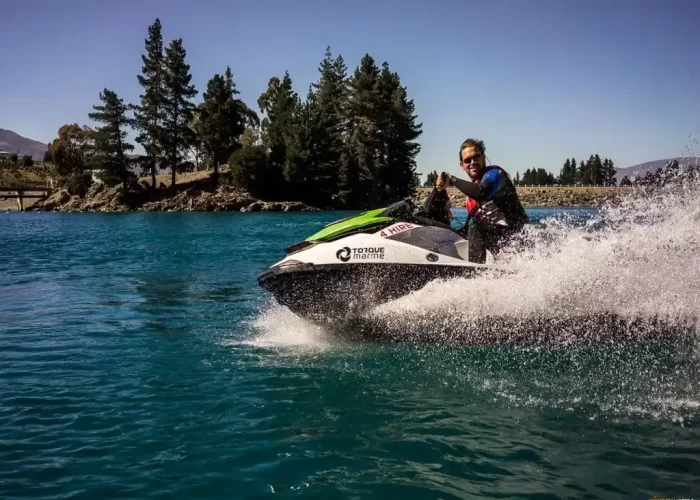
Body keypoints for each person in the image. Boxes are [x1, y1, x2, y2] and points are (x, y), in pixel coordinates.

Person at [435, 138, 529, 263]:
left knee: (475, 225)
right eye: (467, 160)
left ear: (484, 157)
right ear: (462, 165)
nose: (472, 162)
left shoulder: (495, 174)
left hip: (522, 242)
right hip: (504, 248)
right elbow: (465, 232)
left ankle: (475, 273)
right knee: (471, 225)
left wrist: (452, 180)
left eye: (476, 157)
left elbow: (482, 192)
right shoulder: (471, 194)